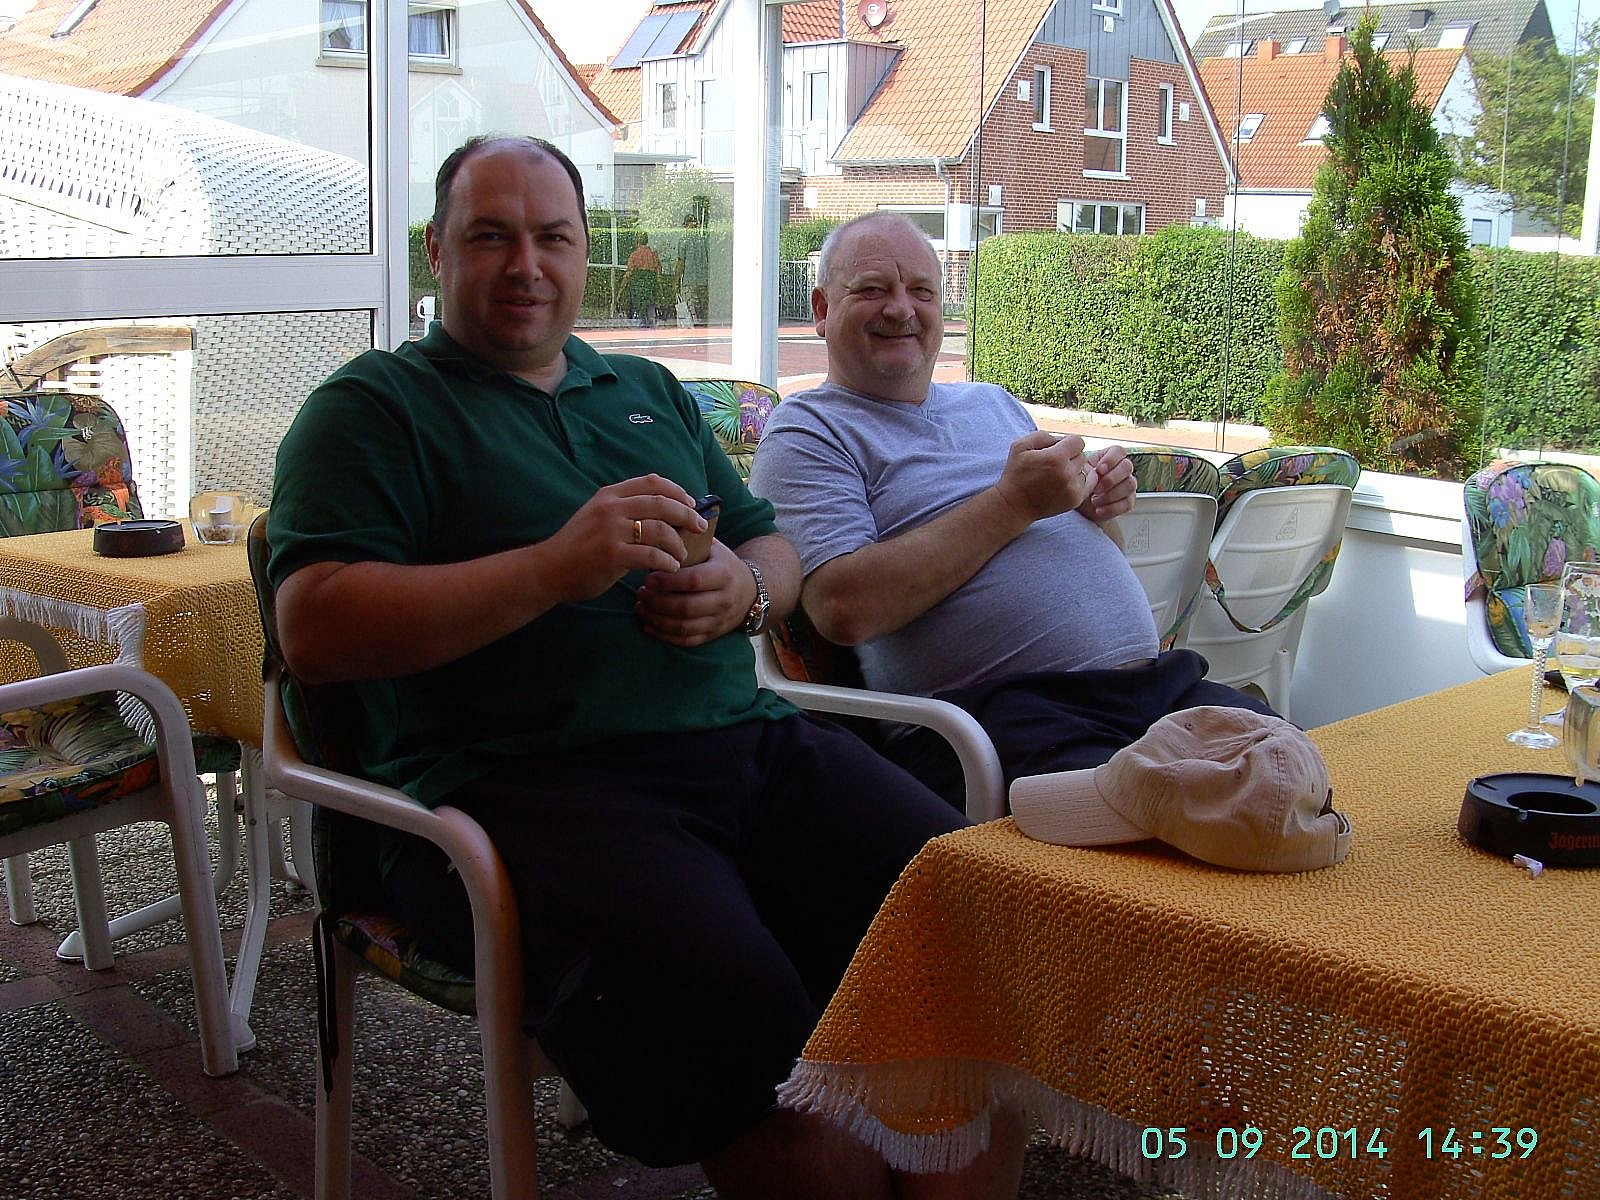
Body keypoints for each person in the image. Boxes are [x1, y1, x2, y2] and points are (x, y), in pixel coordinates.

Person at [267, 138, 1022, 1198]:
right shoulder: (373, 407)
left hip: (746, 747)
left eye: (552, 238)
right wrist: (550, 569)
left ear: (589, 256)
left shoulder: (646, 391)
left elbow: (771, 547)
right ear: (435, 250)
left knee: (978, 917)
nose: (525, 265)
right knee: (757, 1035)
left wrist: (743, 591)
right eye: (490, 237)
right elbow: (314, 626)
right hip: (525, 788)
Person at [747, 212, 1276, 805]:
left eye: (922, 291)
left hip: (1151, 687)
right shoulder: (808, 431)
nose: (901, 309)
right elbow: (842, 608)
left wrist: (1096, 507)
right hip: (1001, 718)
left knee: (1300, 772)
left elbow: (1087, 552)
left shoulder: (992, 403)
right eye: (873, 289)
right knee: (1185, 818)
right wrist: (1012, 503)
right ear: (822, 309)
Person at [673, 214, 710, 325]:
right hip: (703, 281)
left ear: (685, 225)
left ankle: (694, 333)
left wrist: (675, 281)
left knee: (690, 315)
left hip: (689, 282)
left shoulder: (684, 241)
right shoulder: (704, 240)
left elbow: (681, 263)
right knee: (703, 313)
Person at [618, 231, 661, 326]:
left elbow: (628, 274)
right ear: (647, 240)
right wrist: (660, 290)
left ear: (637, 241)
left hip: (637, 292)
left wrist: (620, 291)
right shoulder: (653, 255)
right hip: (650, 290)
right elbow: (659, 275)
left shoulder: (634, 255)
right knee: (651, 316)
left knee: (639, 318)